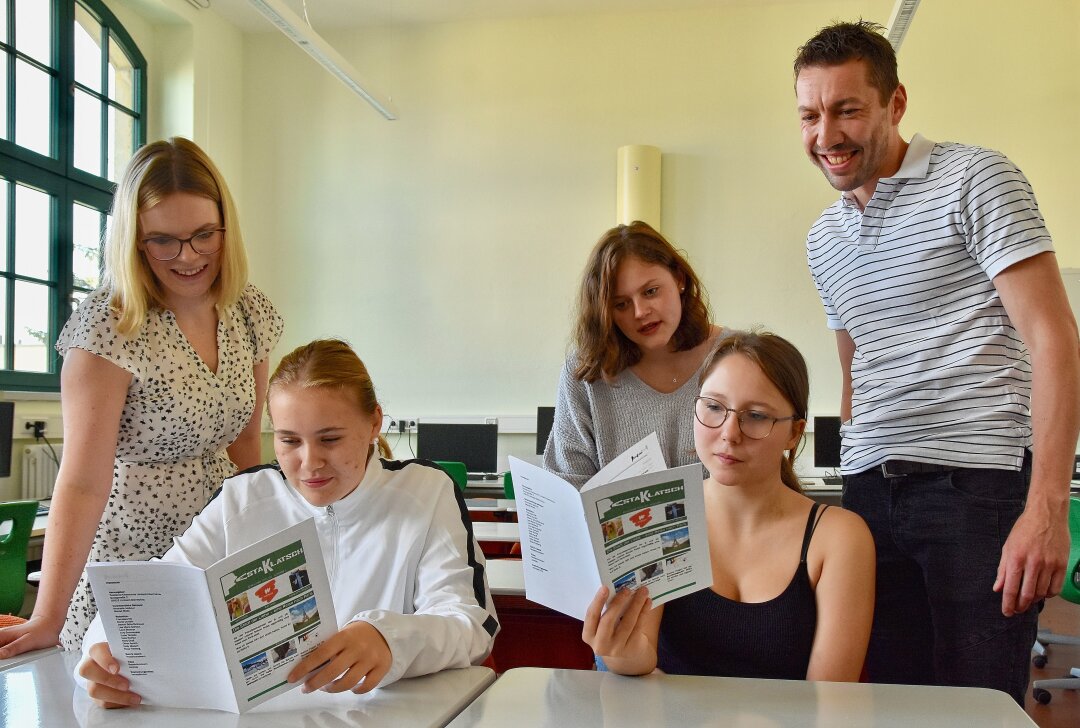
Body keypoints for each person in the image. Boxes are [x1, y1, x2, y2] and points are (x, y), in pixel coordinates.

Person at [793, 20, 1080, 702]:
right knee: (892, 702)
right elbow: (854, 371)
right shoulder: (823, 239)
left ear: (895, 105)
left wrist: (1046, 510)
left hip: (973, 489)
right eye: (809, 114)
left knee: (977, 704)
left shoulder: (974, 178)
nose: (826, 134)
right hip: (867, 498)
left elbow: (1055, 340)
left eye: (847, 109)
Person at [77, 339, 499, 707]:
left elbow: (470, 623)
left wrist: (390, 638)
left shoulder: (426, 492)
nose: (310, 463)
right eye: (289, 441)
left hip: (384, 713)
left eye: (330, 439)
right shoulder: (244, 497)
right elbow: (154, 592)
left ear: (374, 422)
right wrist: (102, 653)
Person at [0, 137, 284, 657]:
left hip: (216, 552)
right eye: (163, 240)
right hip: (132, 562)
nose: (188, 256)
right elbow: (84, 483)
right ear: (134, 240)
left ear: (226, 227)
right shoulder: (110, 326)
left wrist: (256, 556)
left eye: (203, 235)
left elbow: (247, 443)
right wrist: (46, 616)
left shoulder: (248, 310)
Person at [582, 330, 875, 680]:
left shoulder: (839, 537)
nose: (729, 433)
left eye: (756, 416)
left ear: (795, 432)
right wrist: (621, 654)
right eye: (714, 407)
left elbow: (829, 701)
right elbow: (643, 655)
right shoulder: (662, 512)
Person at [544, 221, 721, 487]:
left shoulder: (735, 357)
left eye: (651, 292)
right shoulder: (585, 371)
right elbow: (567, 486)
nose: (640, 312)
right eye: (621, 304)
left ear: (679, 280)